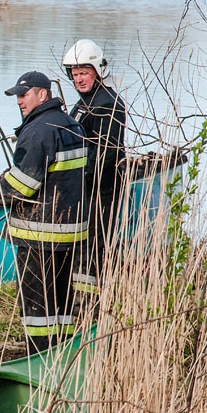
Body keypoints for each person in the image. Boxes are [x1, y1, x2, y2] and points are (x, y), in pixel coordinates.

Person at [0, 72, 87, 354]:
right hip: (71, 233)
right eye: (17, 97)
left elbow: (23, 184)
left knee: (37, 306)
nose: (19, 102)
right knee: (61, 305)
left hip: (40, 235)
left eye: (24, 95)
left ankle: (38, 359)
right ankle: (63, 354)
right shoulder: (72, 125)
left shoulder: (38, 131)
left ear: (43, 95)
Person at [61, 40, 126, 302]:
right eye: (75, 75)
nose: (79, 80)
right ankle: (80, 302)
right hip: (84, 190)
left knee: (93, 247)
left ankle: (91, 306)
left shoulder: (108, 103)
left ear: (98, 71)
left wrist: (77, 179)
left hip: (101, 190)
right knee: (81, 246)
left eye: (84, 73)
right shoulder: (84, 103)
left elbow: (106, 153)